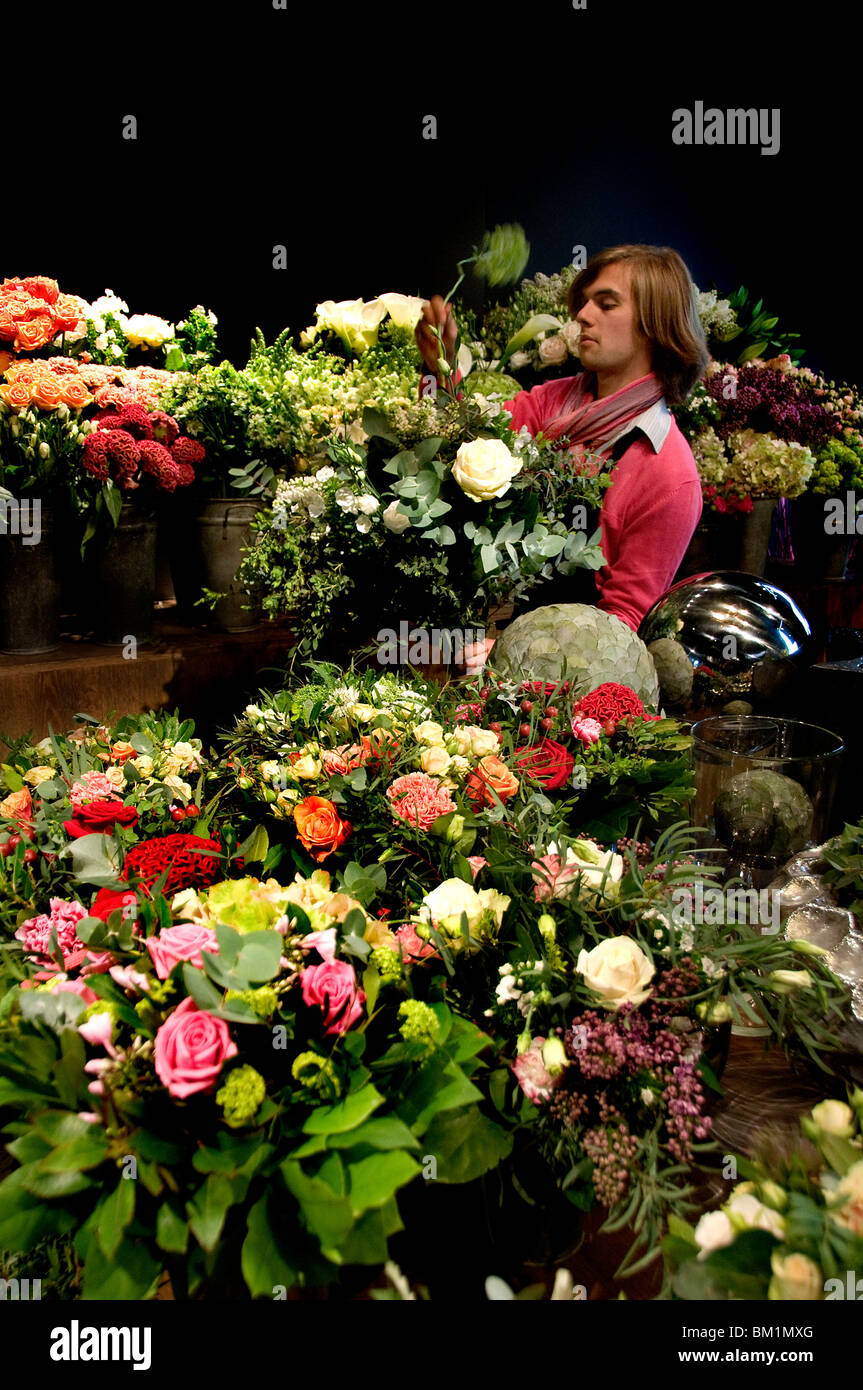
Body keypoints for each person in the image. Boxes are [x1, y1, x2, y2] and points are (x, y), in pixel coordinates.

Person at [416, 243, 710, 666]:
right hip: (488, 645)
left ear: (655, 324)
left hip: (563, 688)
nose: (583, 316)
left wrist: (522, 652)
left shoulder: (668, 474)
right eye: (585, 303)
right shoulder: (549, 403)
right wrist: (438, 369)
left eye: (606, 304)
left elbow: (619, 627)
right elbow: (466, 446)